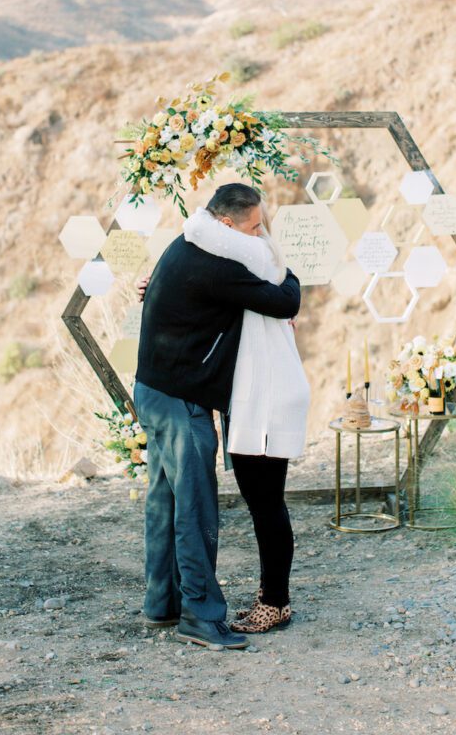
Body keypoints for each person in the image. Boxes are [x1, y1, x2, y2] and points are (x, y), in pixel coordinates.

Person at [133, 183, 301, 650]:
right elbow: (285, 300)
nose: (261, 232)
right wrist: (290, 274)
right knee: (194, 507)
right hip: (179, 398)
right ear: (228, 225)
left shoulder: (189, 241)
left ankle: (161, 603)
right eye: (254, 225)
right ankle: (201, 617)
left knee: (164, 501)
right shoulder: (217, 264)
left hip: (155, 389)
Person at [182, 200, 311, 634]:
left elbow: (200, 231)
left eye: (260, 226)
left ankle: (276, 602)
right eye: (251, 225)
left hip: (268, 396)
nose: (256, 233)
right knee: (264, 504)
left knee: (267, 504)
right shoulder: (261, 263)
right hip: (259, 396)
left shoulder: (251, 260)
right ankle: (270, 595)